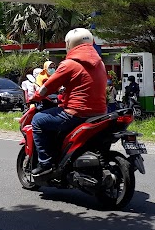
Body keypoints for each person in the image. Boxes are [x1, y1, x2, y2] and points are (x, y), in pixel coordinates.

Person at [29, 28, 107, 176]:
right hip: (100, 114)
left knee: (38, 121)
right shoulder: (100, 64)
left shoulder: (69, 64)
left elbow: (48, 87)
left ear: (70, 44)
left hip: (76, 113)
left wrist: (36, 96)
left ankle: (45, 163)